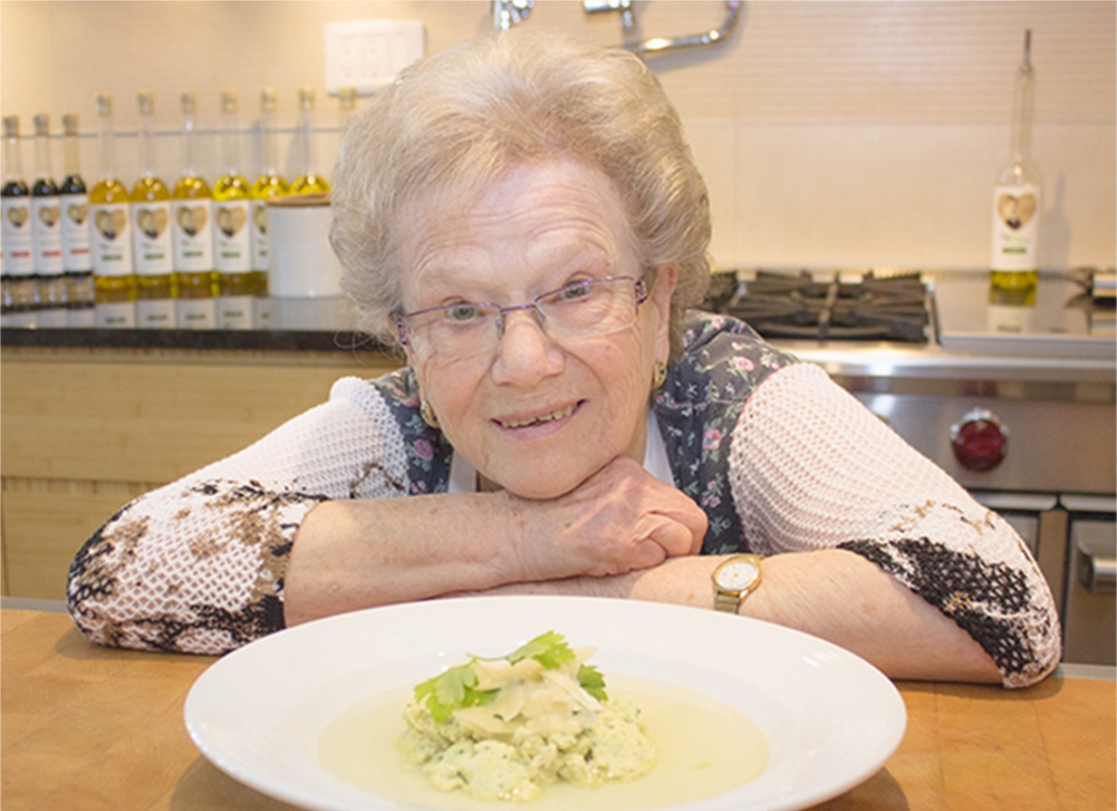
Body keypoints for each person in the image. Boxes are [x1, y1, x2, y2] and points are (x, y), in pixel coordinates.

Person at [66, 31, 1060, 688]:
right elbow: (116, 571)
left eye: (575, 289)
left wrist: (611, 591)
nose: (523, 361)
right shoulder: (401, 420)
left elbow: (1003, 608)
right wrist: (528, 537)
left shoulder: (727, 396)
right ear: (404, 331)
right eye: (460, 308)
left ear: (660, 296)